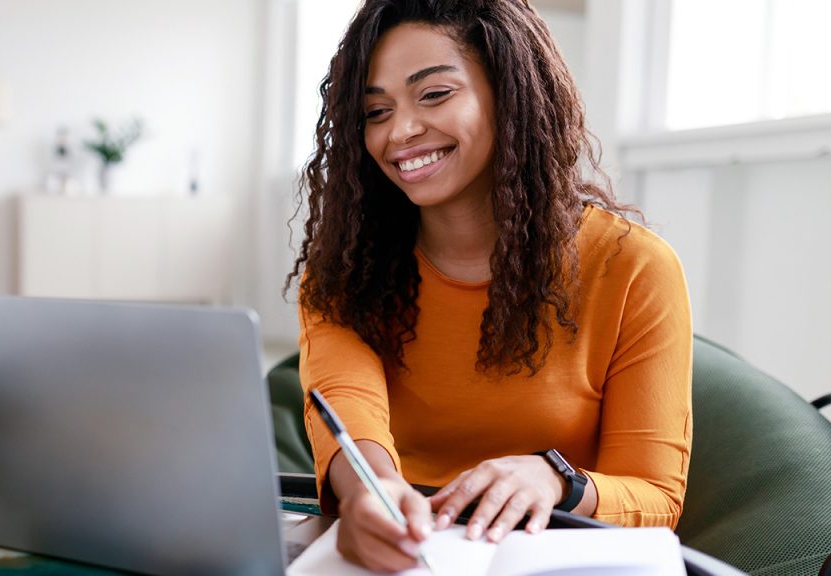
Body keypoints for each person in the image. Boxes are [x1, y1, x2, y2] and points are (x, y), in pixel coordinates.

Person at [285, 0, 693, 572]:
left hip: (555, 555)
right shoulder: (344, 269)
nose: (400, 131)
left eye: (434, 95)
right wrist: (370, 496)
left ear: (510, 93)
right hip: (400, 553)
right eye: (375, 111)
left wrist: (556, 481)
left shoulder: (633, 269)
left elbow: (656, 496)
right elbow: (349, 404)